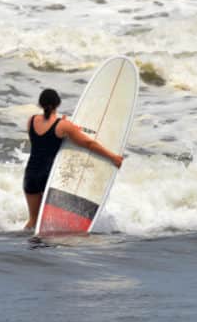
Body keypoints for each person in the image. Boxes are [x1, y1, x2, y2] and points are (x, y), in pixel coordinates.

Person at [23, 88, 123, 230]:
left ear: (40, 104)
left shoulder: (31, 121)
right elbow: (89, 143)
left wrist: (61, 124)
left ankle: (28, 248)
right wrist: (112, 157)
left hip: (30, 175)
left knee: (34, 221)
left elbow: (41, 144)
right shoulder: (63, 126)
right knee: (51, 223)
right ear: (57, 104)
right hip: (49, 176)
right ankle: (48, 249)